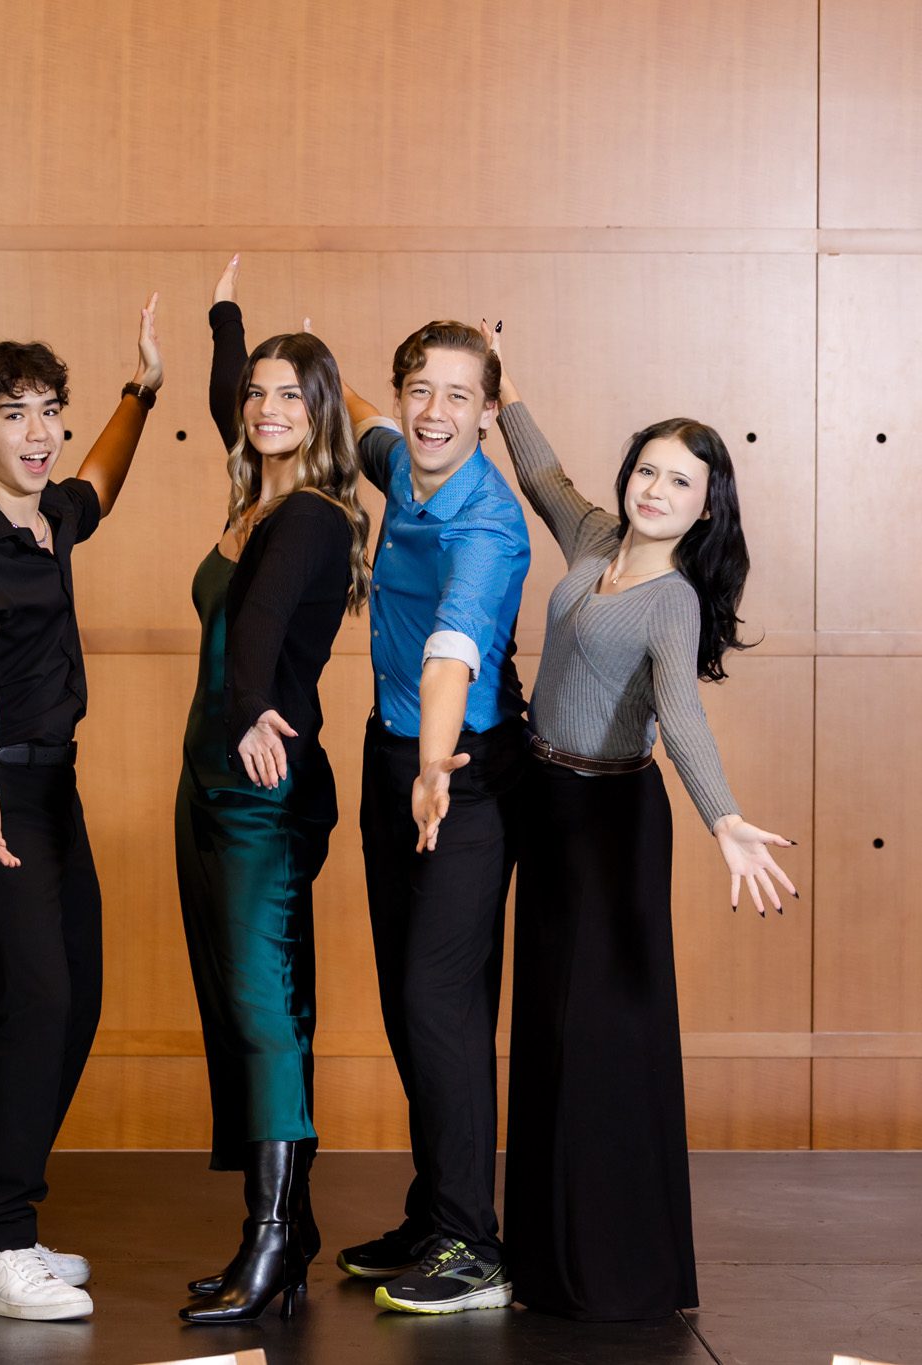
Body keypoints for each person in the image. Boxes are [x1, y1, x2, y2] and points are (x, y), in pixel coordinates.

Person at [490, 330, 796, 1320]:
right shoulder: (590, 543)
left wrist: (726, 818)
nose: (657, 490)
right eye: (648, 470)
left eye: (680, 481)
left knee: (602, 1039)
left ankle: (618, 1270)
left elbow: (681, 716)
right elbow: (543, 474)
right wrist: (505, 393)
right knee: (543, 1030)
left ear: (704, 506)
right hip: (544, 805)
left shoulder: (670, 602)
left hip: (613, 825)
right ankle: (540, 1259)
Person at [0, 293, 162, 1321]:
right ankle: (1, 1244)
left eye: (49, 410)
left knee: (71, 1000)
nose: (41, 432)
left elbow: (98, 480)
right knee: (36, 1004)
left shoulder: (49, 514)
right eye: (14, 412)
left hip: (50, 789)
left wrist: (139, 391)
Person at [177, 257, 371, 1324]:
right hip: (205, 778)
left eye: (290, 393)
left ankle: (271, 1240)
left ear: (324, 410)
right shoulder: (257, 496)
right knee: (237, 1000)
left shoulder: (312, 518)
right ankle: (282, 1232)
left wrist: (253, 708)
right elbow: (228, 404)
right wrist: (223, 322)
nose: (263, 407)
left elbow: (252, 635)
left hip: (261, 779)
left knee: (266, 1010)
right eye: (258, 392)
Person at [338, 321, 530, 1315]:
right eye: (420, 389)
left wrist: (427, 768)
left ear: (489, 415)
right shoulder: (398, 464)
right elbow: (361, 418)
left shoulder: (489, 526)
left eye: (458, 396)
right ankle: (434, 1210)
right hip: (393, 755)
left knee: (438, 1002)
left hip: (460, 772)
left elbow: (453, 647)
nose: (432, 412)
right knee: (402, 998)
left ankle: (471, 1246)